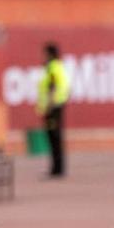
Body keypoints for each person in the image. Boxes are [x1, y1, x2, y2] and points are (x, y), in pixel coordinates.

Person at [36, 42, 70, 178]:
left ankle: (57, 169)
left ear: (49, 54)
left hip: (53, 108)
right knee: (56, 138)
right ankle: (57, 168)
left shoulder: (51, 68)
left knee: (54, 138)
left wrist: (49, 106)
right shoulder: (58, 66)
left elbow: (52, 87)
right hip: (57, 106)